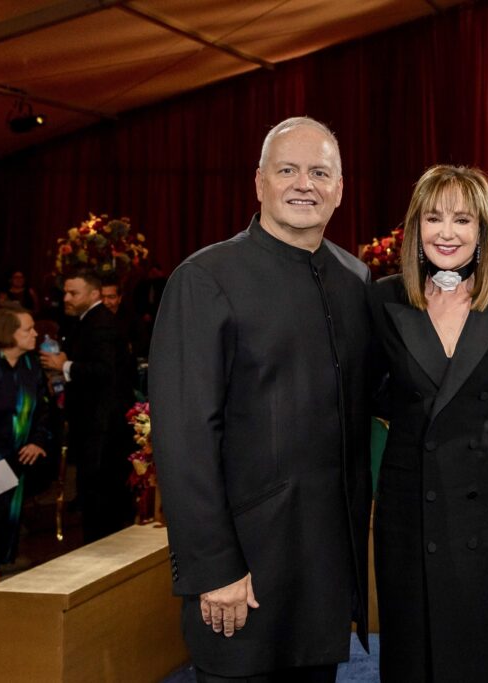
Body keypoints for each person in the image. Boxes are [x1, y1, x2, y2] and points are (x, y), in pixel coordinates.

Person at [149, 116, 372, 682]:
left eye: (320, 172)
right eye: (288, 170)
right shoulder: (204, 279)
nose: (305, 184)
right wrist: (213, 567)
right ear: (260, 182)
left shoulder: (355, 278)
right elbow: (184, 438)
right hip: (242, 575)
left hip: (321, 574)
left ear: (340, 188)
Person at [368, 165, 488, 682]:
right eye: (434, 218)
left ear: (482, 228)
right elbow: (369, 397)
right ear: (415, 227)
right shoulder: (383, 297)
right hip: (406, 504)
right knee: (409, 652)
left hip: (482, 506)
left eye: (462, 220)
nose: (447, 232)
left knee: (474, 650)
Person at [40, 269, 135, 542]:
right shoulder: (86, 320)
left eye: (73, 293)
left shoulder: (100, 323)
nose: (67, 298)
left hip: (102, 426)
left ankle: (102, 557)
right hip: (96, 424)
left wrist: (65, 365)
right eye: (65, 292)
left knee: (101, 495)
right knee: (96, 495)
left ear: (93, 294)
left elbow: (105, 372)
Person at [0, 306, 49, 586]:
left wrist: (37, 440)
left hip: (15, 459)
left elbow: (43, 411)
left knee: (3, 516)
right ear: (8, 333)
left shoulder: (31, 367)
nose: (35, 333)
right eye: (28, 329)